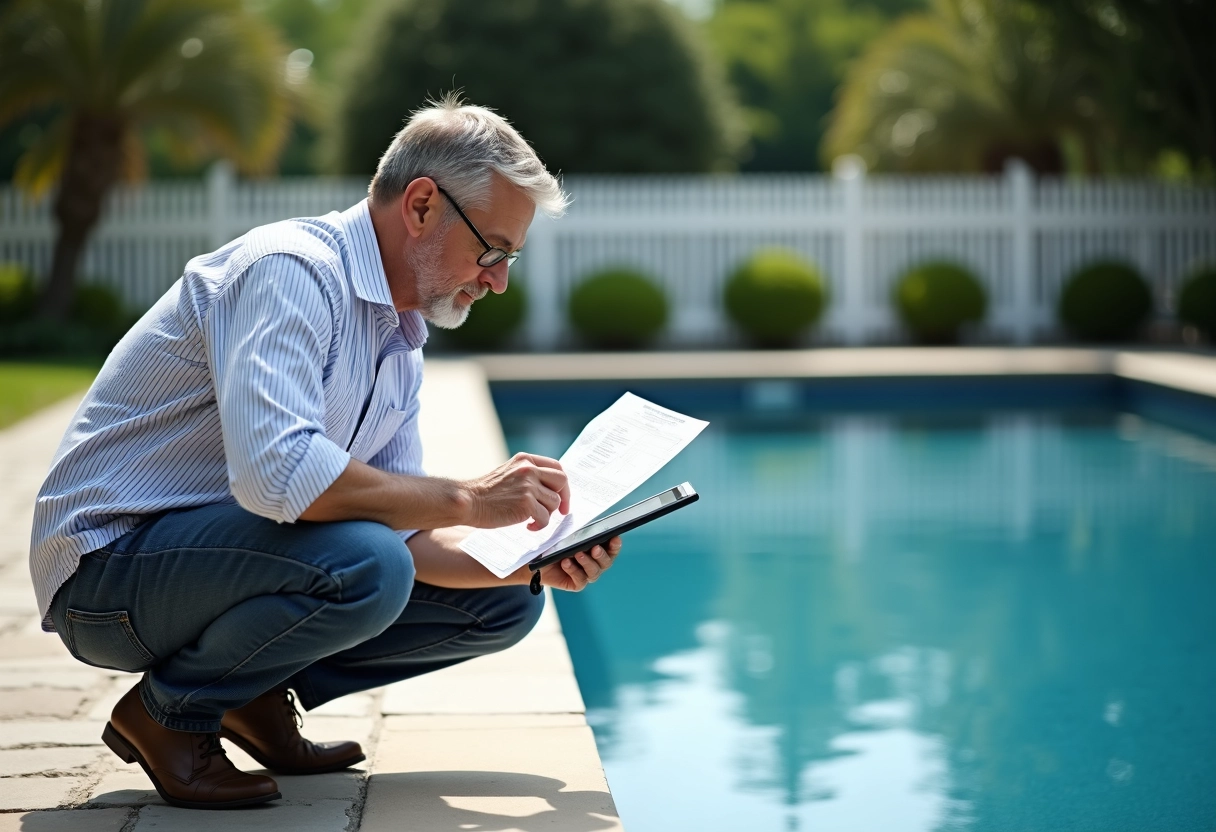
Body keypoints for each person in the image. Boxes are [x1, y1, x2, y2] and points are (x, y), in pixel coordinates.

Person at [28, 95, 621, 810]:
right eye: (491, 250)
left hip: (206, 565)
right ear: (422, 206)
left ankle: (250, 692)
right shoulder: (290, 272)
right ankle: (170, 713)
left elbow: (408, 533)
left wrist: (533, 561)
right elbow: (280, 477)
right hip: (106, 577)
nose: (497, 278)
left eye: (508, 258)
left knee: (501, 600)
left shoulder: (398, 336)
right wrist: (469, 498)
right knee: (367, 563)